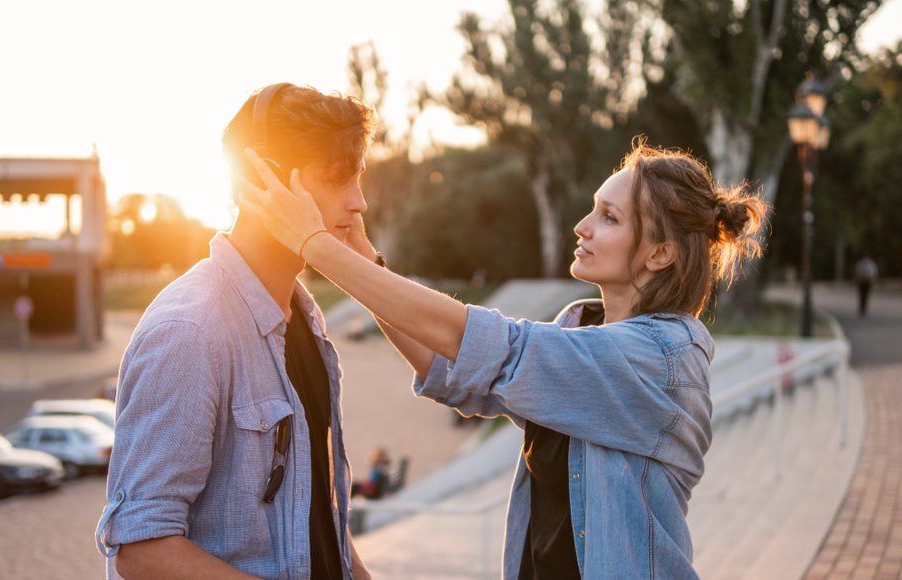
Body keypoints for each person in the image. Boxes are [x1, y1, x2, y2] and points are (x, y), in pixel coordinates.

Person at [242, 140, 768, 579]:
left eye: (609, 218)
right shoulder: (579, 326)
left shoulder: (662, 357)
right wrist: (361, 258)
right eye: (593, 208)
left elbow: (490, 344)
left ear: (659, 254)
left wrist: (312, 244)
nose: (582, 226)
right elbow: (452, 368)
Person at [95, 83, 374, 579]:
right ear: (262, 180)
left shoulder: (304, 319)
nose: (358, 202)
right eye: (338, 179)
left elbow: (313, 506)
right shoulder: (190, 331)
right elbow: (142, 549)